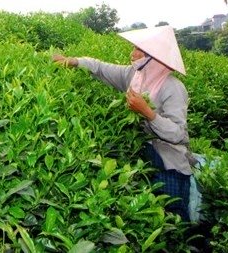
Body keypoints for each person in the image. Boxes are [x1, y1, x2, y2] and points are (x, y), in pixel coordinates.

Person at [52, 26, 197, 221]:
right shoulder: (134, 76)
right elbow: (101, 68)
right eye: (134, 48)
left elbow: (177, 134)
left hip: (169, 167)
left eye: (140, 51)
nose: (133, 54)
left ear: (155, 58)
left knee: (173, 221)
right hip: (143, 161)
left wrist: (147, 112)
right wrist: (73, 61)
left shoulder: (173, 88)